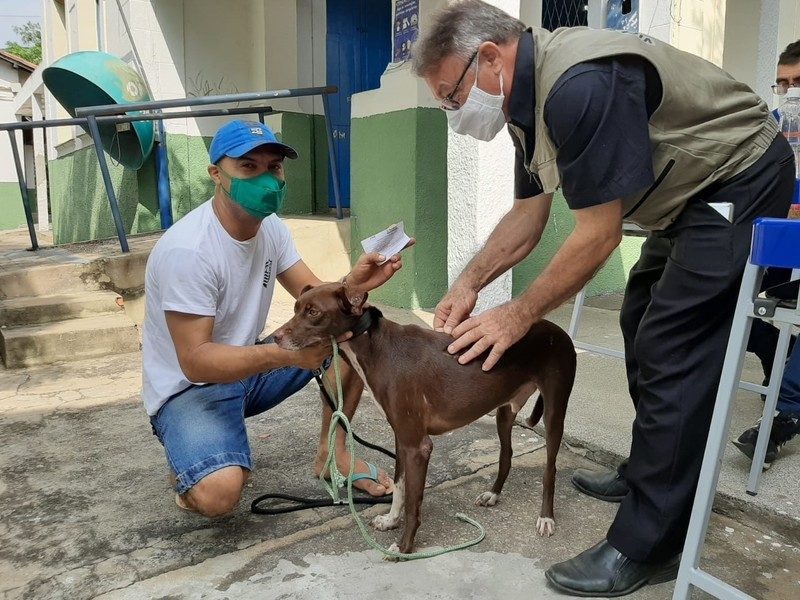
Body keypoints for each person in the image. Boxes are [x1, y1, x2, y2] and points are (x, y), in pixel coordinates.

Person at [410, 1, 794, 597]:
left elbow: (597, 235)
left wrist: (517, 314)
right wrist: (469, 282)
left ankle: (647, 543)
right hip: (686, 197)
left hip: (739, 175)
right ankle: (651, 475)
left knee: (675, 343)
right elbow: (527, 216)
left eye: (451, 95)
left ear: (489, 58)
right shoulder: (525, 105)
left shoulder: (579, 85)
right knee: (641, 317)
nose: (454, 112)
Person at [142, 120, 409, 517]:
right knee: (217, 495)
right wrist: (286, 356)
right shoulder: (189, 251)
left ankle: (333, 457)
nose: (267, 179)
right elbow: (195, 360)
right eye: (248, 168)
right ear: (217, 174)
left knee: (349, 334)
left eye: (274, 168)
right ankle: (193, 467)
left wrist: (352, 285)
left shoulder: (271, 229)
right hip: (191, 388)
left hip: (246, 368)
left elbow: (314, 296)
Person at [733, 39, 800, 467]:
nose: (789, 92)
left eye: (798, 83)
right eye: (782, 84)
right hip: (778, 241)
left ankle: (785, 412)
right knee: (739, 299)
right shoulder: (772, 128)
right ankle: (780, 370)